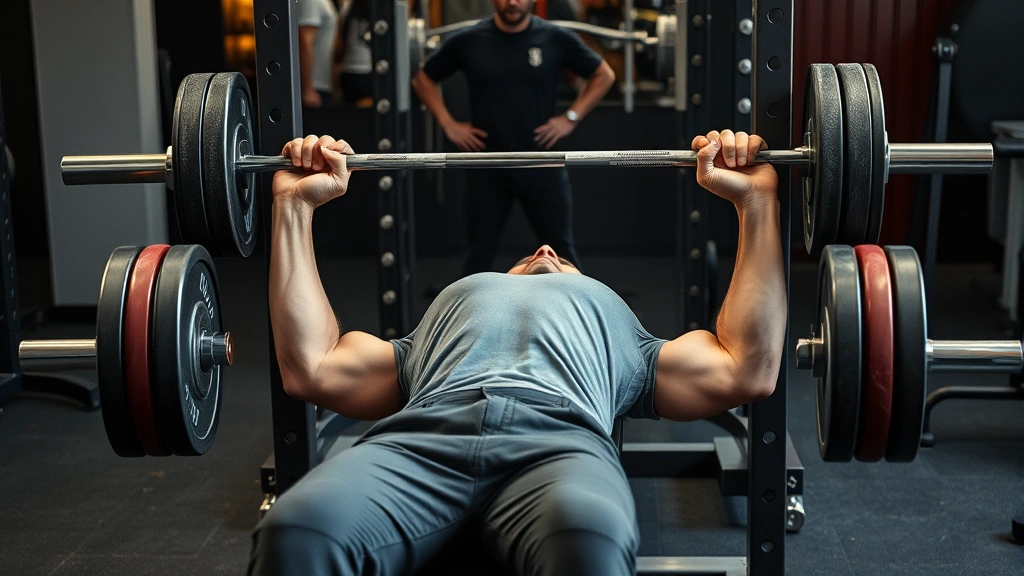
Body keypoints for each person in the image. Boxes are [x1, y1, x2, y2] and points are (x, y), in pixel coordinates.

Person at [247, 129, 785, 575]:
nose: (545, 249)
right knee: (296, 532)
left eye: (560, 260)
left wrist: (756, 201)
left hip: (560, 444)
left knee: (587, 542)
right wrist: (292, 207)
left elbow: (748, 368)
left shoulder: (629, 340)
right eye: (527, 256)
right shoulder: (436, 328)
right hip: (422, 440)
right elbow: (310, 367)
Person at [411, 0, 617, 276]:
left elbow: (604, 74)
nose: (512, 2)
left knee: (562, 254)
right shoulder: (470, 40)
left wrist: (571, 117)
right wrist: (448, 123)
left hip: (541, 163)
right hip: (488, 165)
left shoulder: (555, 38)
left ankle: (575, 316)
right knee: (478, 257)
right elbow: (422, 79)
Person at [298, 0, 339, 108]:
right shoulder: (313, 1)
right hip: (315, 86)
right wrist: (308, 88)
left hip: (321, 84)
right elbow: (305, 42)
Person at [336, 0, 373, 107]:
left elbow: (340, 44)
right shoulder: (379, 10)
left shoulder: (347, 8)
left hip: (348, 73)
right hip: (368, 72)